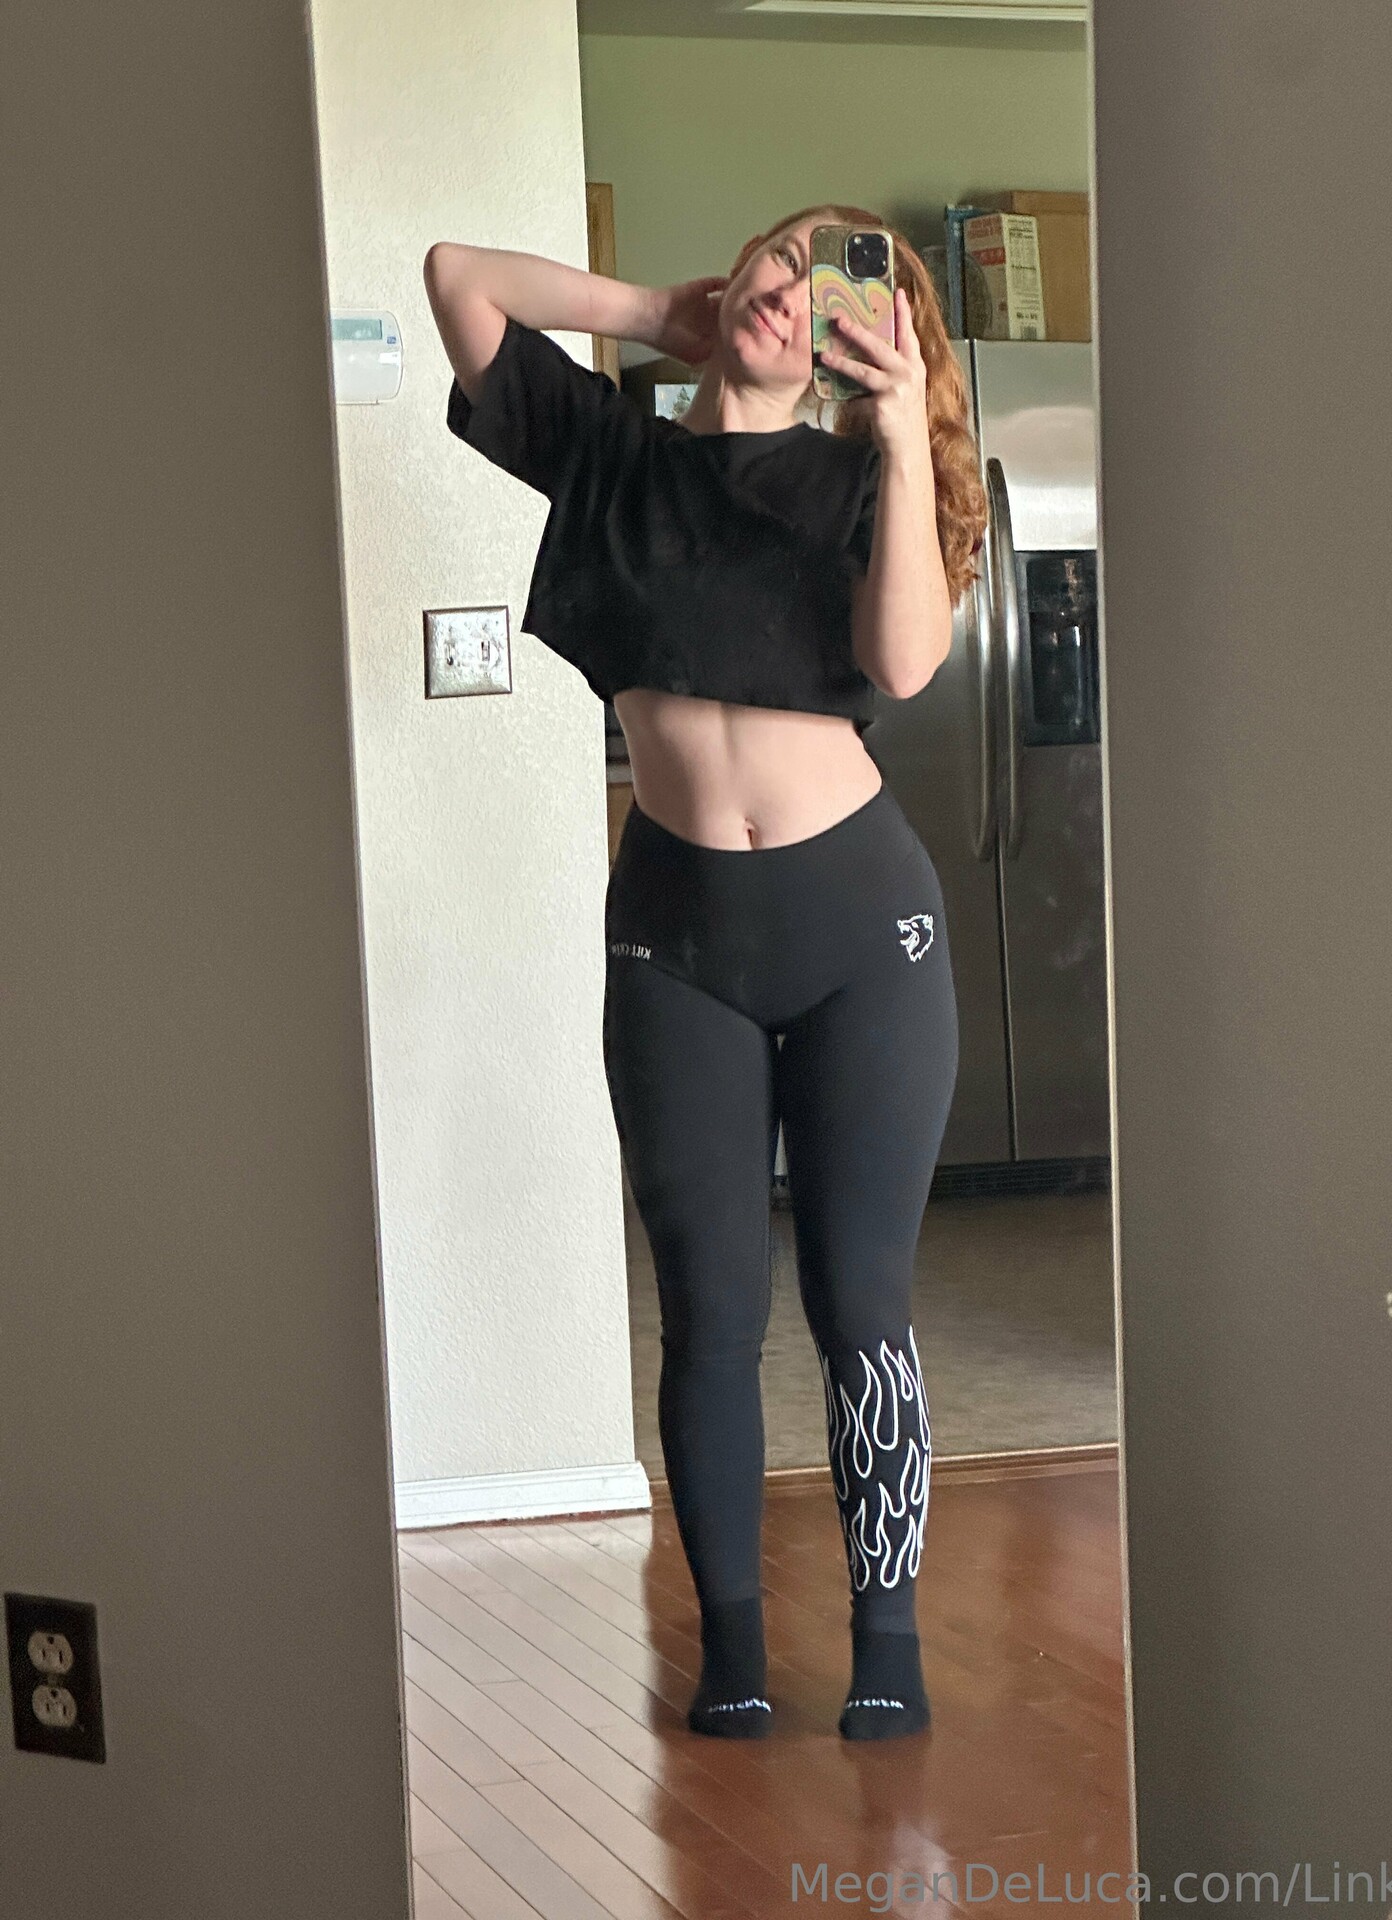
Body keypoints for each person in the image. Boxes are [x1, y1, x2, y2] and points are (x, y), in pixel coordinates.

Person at [423, 204, 987, 1741]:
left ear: (859, 343)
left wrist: (890, 432)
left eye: (832, 285)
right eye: (778, 258)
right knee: (709, 1311)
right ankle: (731, 1650)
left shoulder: (862, 481)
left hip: (863, 939)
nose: (792, 289)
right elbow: (459, 277)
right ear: (733, 281)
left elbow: (905, 666)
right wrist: (649, 314)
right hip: (677, 940)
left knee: (861, 1301)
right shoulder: (613, 455)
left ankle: (887, 1639)